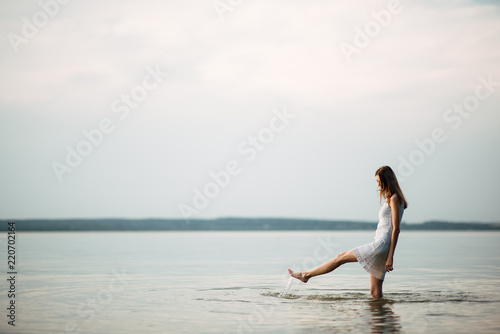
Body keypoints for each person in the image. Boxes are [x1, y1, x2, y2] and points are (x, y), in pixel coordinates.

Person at [288, 166, 408, 299]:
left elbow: (396, 229)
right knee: (375, 293)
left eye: (379, 181)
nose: (378, 185)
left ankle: (306, 275)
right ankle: (381, 318)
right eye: (377, 182)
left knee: (340, 258)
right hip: (381, 245)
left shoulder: (394, 199)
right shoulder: (391, 199)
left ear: (387, 181)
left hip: (381, 245)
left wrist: (391, 256)